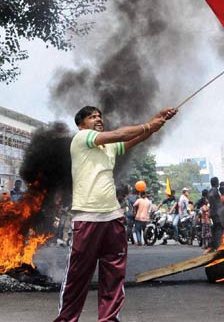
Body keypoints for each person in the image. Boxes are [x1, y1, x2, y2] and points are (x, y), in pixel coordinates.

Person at [54, 105, 175, 322]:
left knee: (113, 275)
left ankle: (109, 319)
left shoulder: (108, 146)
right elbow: (120, 134)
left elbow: (133, 138)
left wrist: (157, 121)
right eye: (92, 117)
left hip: (113, 217)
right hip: (88, 217)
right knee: (77, 277)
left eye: (100, 116)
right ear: (81, 125)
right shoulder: (82, 139)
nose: (98, 119)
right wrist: (148, 125)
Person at [207, 177, 223, 251]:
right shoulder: (214, 191)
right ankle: (217, 245)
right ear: (216, 183)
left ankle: (213, 245)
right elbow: (212, 197)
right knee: (219, 229)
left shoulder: (210, 190)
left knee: (215, 228)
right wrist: (216, 206)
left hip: (213, 212)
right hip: (216, 213)